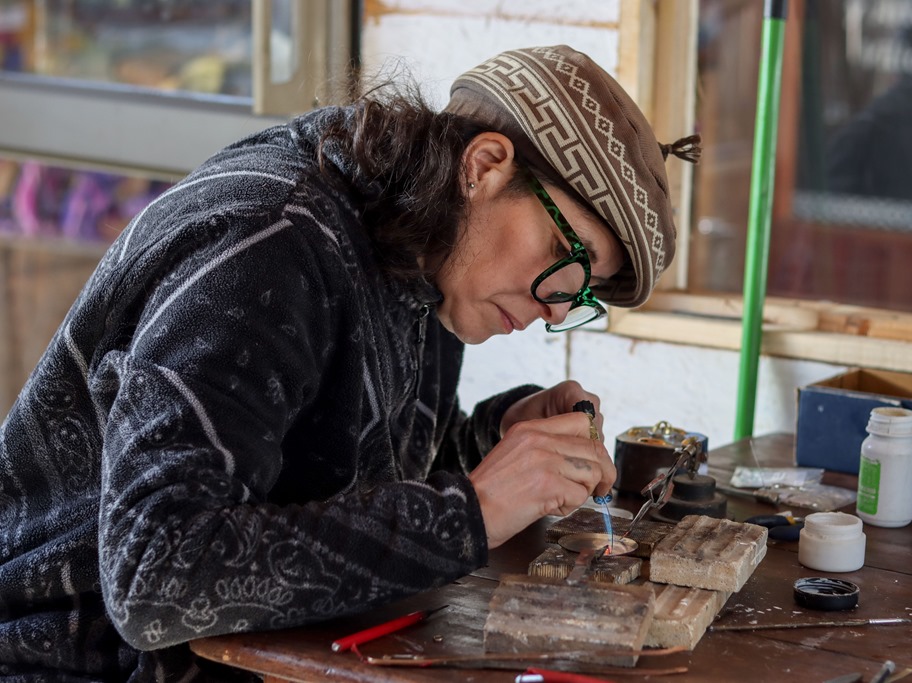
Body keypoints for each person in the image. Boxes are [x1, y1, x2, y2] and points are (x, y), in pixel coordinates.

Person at [0, 45, 699, 681]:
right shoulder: (267, 244)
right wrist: (475, 510)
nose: (555, 307)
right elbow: (153, 575)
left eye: (582, 291)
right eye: (564, 255)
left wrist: (495, 439)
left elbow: (339, 471)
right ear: (485, 166)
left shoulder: (422, 251)